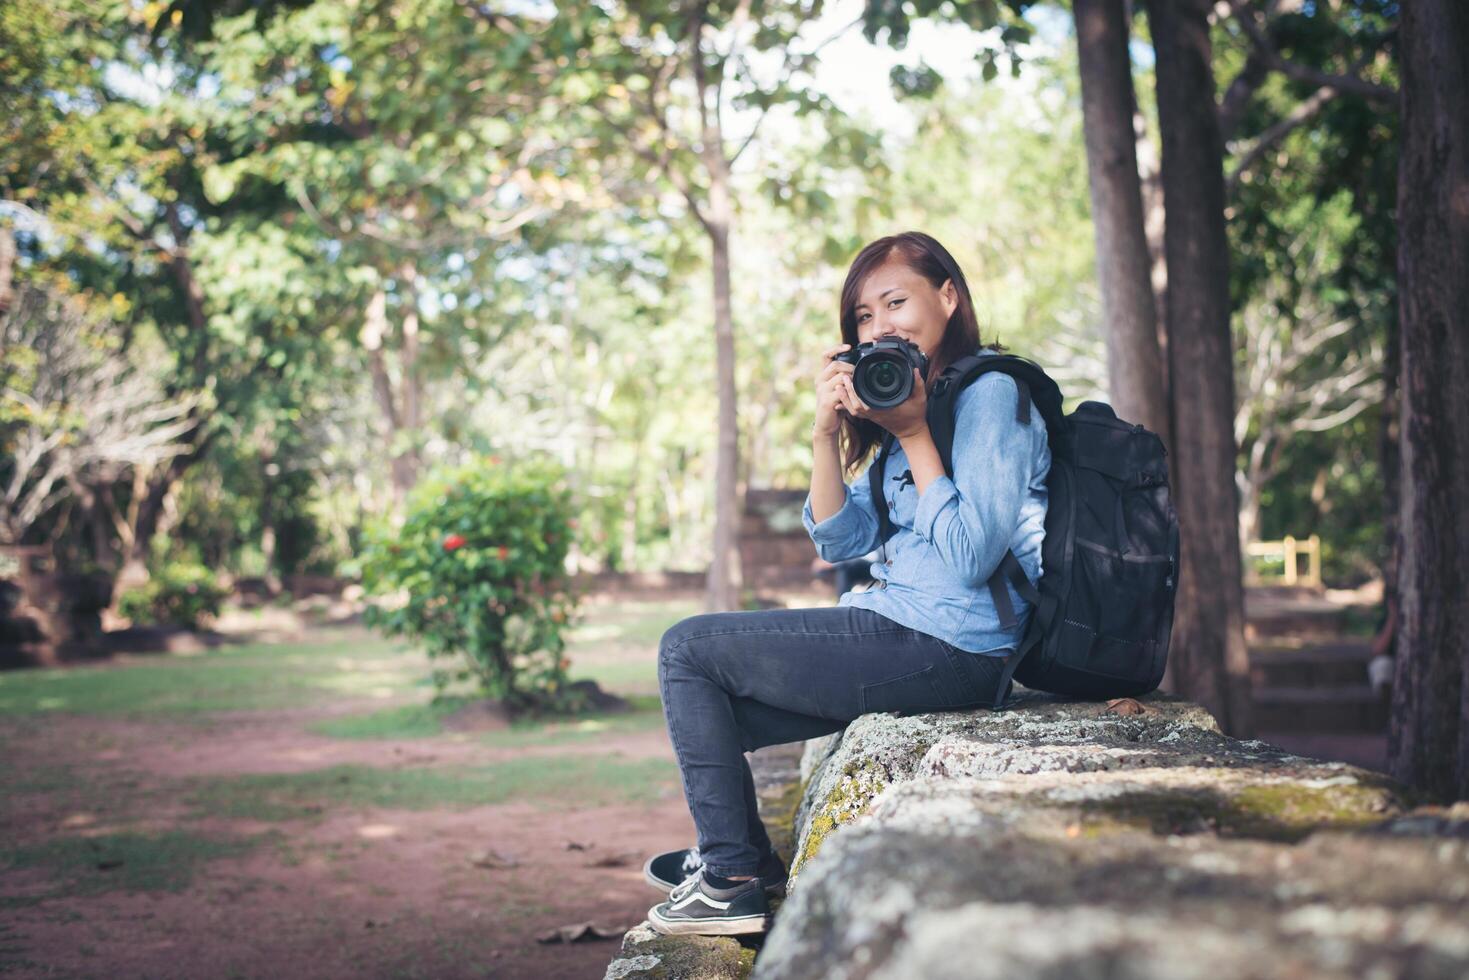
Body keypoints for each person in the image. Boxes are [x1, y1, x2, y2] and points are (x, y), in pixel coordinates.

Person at [642, 231, 1052, 936]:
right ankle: (743, 862)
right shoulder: (910, 399)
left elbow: (968, 560)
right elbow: (842, 538)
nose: (879, 326)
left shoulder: (989, 396)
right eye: (863, 316)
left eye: (896, 302)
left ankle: (730, 880)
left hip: (951, 644)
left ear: (948, 297)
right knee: (711, 715)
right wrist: (824, 437)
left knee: (689, 649)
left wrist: (917, 432)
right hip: (905, 631)